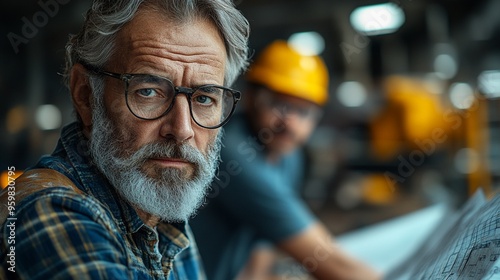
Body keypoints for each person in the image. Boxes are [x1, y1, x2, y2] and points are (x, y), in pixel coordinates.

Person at [0, 0, 249, 279]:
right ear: (85, 95)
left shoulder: (160, 216)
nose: (182, 129)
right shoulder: (50, 210)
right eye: (149, 92)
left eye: (204, 98)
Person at [190, 40, 381, 280]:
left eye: (304, 112)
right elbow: (330, 261)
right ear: (251, 98)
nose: (290, 123)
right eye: (279, 104)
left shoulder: (289, 156)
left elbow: (266, 242)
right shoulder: (231, 154)